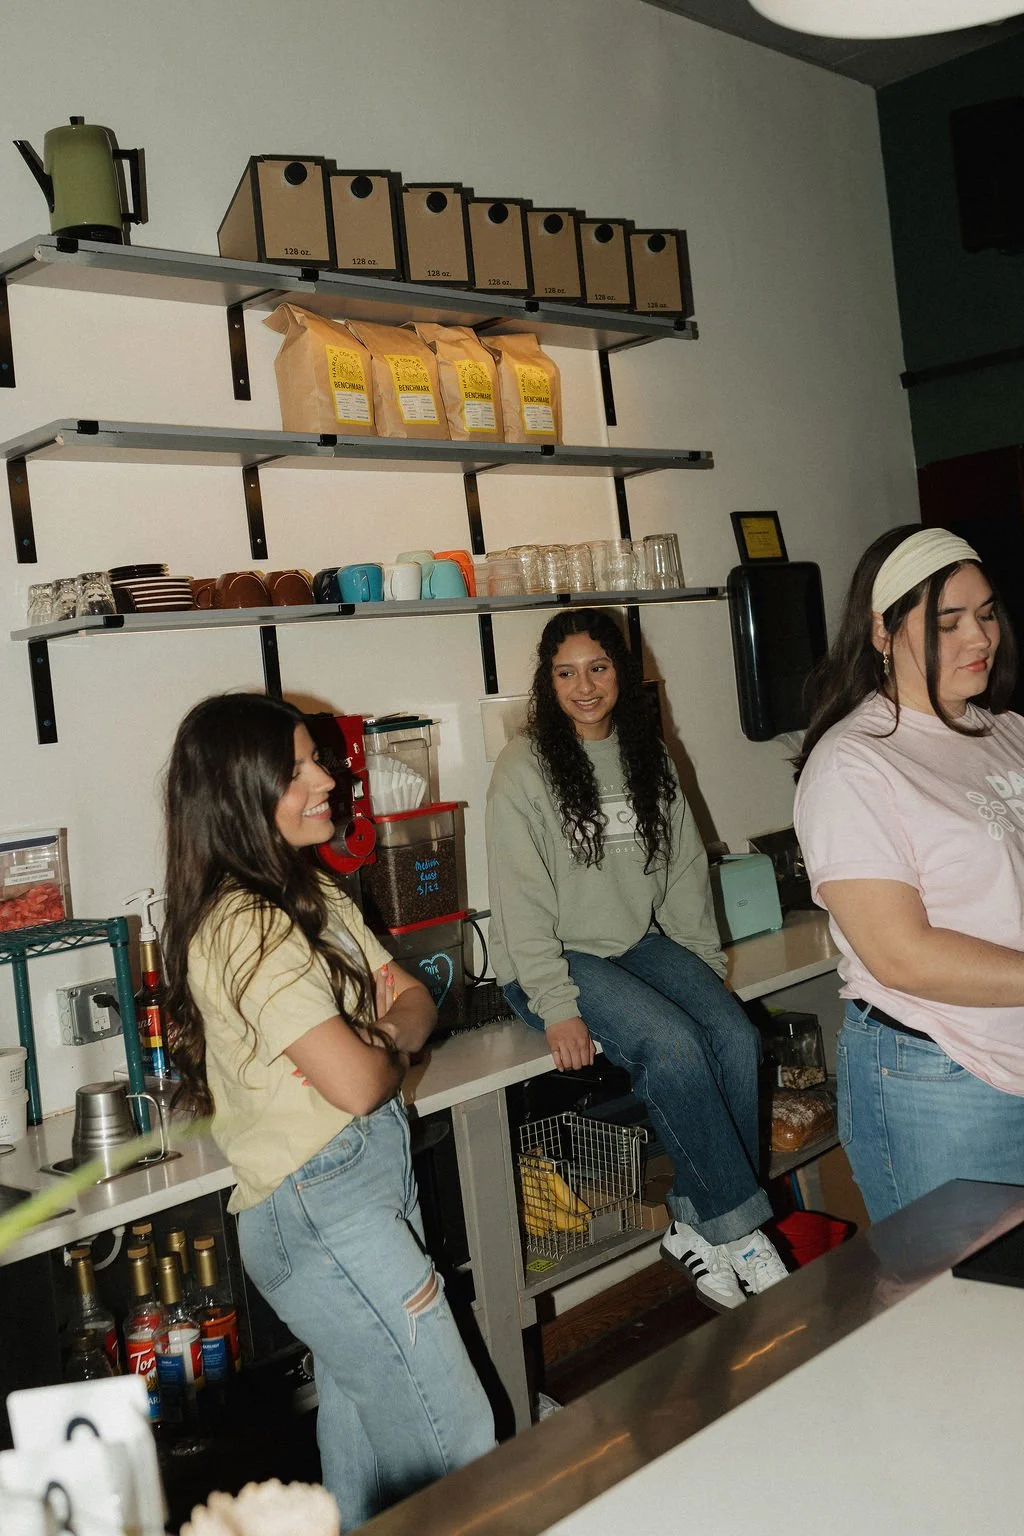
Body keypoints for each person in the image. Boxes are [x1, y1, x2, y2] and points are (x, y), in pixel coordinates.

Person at [162, 693, 494, 1530]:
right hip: (324, 1207)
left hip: (355, 1189)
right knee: (455, 1448)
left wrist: (371, 1038)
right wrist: (375, 1049)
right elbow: (356, 1083)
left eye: (319, 759)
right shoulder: (247, 925)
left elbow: (418, 999)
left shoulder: (312, 892)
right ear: (238, 794)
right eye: (297, 768)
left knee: (369, 1463)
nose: (327, 779)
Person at [485, 609, 788, 1312]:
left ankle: (696, 1226)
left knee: (735, 1036)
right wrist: (557, 1006)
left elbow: (683, 868)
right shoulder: (524, 767)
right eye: (565, 672)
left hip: (633, 946)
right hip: (549, 962)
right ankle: (741, 1234)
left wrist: (701, 964)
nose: (584, 686)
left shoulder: (646, 752)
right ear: (546, 681)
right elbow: (522, 896)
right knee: (674, 1046)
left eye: (598, 668)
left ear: (623, 673)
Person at [793, 524, 1024, 1222]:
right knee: (957, 1312)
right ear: (883, 632)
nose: (979, 638)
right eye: (948, 622)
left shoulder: (1007, 732)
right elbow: (901, 954)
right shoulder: (856, 762)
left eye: (985, 615)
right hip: (937, 1078)